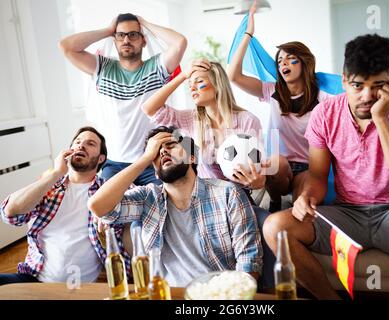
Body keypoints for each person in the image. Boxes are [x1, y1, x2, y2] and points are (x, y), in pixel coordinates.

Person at [263, 34, 389, 299]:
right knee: (274, 226)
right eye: (357, 86)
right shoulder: (325, 114)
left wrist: (381, 118)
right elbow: (316, 175)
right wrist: (307, 197)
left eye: (378, 86)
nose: (367, 96)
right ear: (343, 81)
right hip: (347, 215)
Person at [142, 58, 276, 288]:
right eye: (190, 85)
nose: (192, 88)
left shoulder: (246, 121)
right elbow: (150, 108)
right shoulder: (190, 120)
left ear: (217, 84)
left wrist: (257, 182)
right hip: (204, 200)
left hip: (240, 199)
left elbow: (258, 171)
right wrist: (185, 75)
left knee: (266, 225)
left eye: (199, 82)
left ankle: (264, 293)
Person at [88, 126, 263, 287]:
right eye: (156, 152)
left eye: (170, 145)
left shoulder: (227, 194)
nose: (162, 151)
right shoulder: (148, 198)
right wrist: (145, 159)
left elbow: (249, 261)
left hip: (220, 294)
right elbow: (98, 206)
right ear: (155, 170)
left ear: (192, 156)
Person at [59, 13, 187, 185]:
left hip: (152, 161)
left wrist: (145, 23)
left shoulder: (157, 67)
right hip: (114, 164)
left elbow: (180, 43)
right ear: (115, 39)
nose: (126, 40)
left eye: (133, 34)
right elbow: (66, 46)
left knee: (161, 208)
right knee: (107, 209)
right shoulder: (102, 67)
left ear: (143, 40)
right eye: (121, 35)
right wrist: (107, 30)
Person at [0, 127, 129, 285]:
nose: (81, 146)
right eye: (78, 142)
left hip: (79, 288)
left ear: (101, 158)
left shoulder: (108, 191)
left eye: (90, 144)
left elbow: (146, 198)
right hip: (33, 279)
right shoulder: (49, 186)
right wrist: (56, 173)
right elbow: (10, 213)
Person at [227, 3, 325, 212]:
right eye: (280, 61)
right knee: (276, 162)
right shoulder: (271, 91)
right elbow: (233, 75)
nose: (283, 64)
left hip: (310, 166)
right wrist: (248, 35)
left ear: (305, 63)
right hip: (280, 166)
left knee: (305, 205)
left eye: (291, 59)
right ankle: (274, 201)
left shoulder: (322, 95)